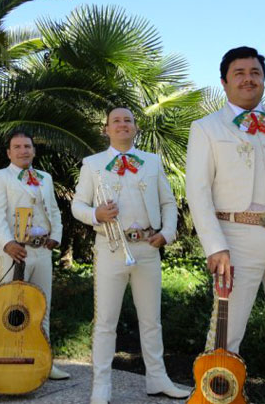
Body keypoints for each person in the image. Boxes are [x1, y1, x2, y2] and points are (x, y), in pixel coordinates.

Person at [186, 46, 265, 404]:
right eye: (239, 72)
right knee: (226, 333)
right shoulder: (206, 128)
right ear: (225, 81)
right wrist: (215, 246)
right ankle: (216, 399)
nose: (248, 78)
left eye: (255, 72)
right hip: (235, 239)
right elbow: (196, 191)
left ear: (263, 78)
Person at [72, 108, 190, 404]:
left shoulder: (152, 161)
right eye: (116, 121)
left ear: (136, 128)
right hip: (111, 248)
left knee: (151, 320)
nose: (122, 125)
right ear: (106, 129)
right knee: (105, 321)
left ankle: (157, 379)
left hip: (147, 247)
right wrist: (95, 214)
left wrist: (168, 233)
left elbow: (168, 202)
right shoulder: (92, 164)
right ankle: (101, 386)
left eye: (128, 120)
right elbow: (77, 205)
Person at [0, 130, 70, 380]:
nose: (23, 150)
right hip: (14, 252)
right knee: (11, 309)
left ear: (34, 150)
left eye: (27, 146)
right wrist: (7, 243)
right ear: (9, 152)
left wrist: (57, 236)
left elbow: (53, 209)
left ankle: (46, 362)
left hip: (42, 251)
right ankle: (10, 361)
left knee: (42, 307)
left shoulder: (45, 177)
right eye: (17, 146)